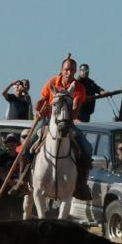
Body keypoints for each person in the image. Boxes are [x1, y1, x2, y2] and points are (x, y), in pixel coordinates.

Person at [34, 55, 93, 201]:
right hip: (48, 120)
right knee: (28, 145)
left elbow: (76, 109)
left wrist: (67, 109)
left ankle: (81, 185)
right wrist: (38, 109)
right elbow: (41, 100)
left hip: (67, 122)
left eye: (72, 70)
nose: (69, 72)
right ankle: (23, 180)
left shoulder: (79, 88)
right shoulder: (51, 82)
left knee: (87, 148)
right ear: (62, 70)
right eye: (67, 69)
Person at [0, 134, 24, 219]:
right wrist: (10, 182)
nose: (12, 143)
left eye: (14, 141)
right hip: (4, 188)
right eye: (9, 142)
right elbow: (0, 172)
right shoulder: (2, 157)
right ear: (6, 144)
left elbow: (23, 172)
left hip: (17, 188)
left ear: (16, 144)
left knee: (17, 213)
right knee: (3, 213)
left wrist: (18, 183)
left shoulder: (21, 157)